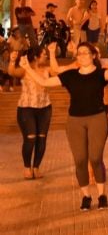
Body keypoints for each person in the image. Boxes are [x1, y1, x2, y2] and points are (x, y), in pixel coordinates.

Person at [19, 42, 108, 211]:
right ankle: (86, 196)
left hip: (97, 118)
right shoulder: (70, 76)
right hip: (75, 121)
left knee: (96, 158)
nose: (82, 55)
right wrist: (28, 68)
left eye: (86, 53)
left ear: (93, 56)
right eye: (79, 53)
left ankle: (102, 194)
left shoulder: (100, 74)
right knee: (80, 160)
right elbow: (45, 82)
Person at [8, 47, 52, 179]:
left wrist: (54, 55)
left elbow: (58, 71)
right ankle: (27, 167)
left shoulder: (46, 70)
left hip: (45, 108)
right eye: (44, 54)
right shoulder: (25, 69)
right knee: (30, 138)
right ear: (36, 57)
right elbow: (12, 72)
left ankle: (36, 167)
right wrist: (12, 61)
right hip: (26, 108)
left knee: (42, 139)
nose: (46, 56)